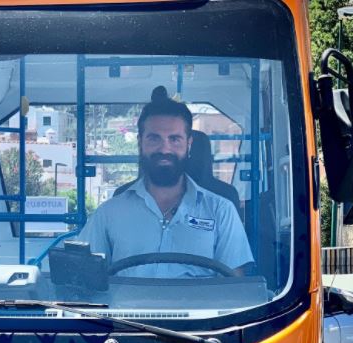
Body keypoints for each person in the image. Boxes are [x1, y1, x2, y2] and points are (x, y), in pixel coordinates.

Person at [78, 86, 253, 277]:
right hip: (126, 307)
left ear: (189, 143)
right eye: (154, 138)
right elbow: (83, 279)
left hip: (200, 307)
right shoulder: (108, 213)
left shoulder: (222, 211)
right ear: (140, 142)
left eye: (175, 139)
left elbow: (234, 289)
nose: (165, 149)